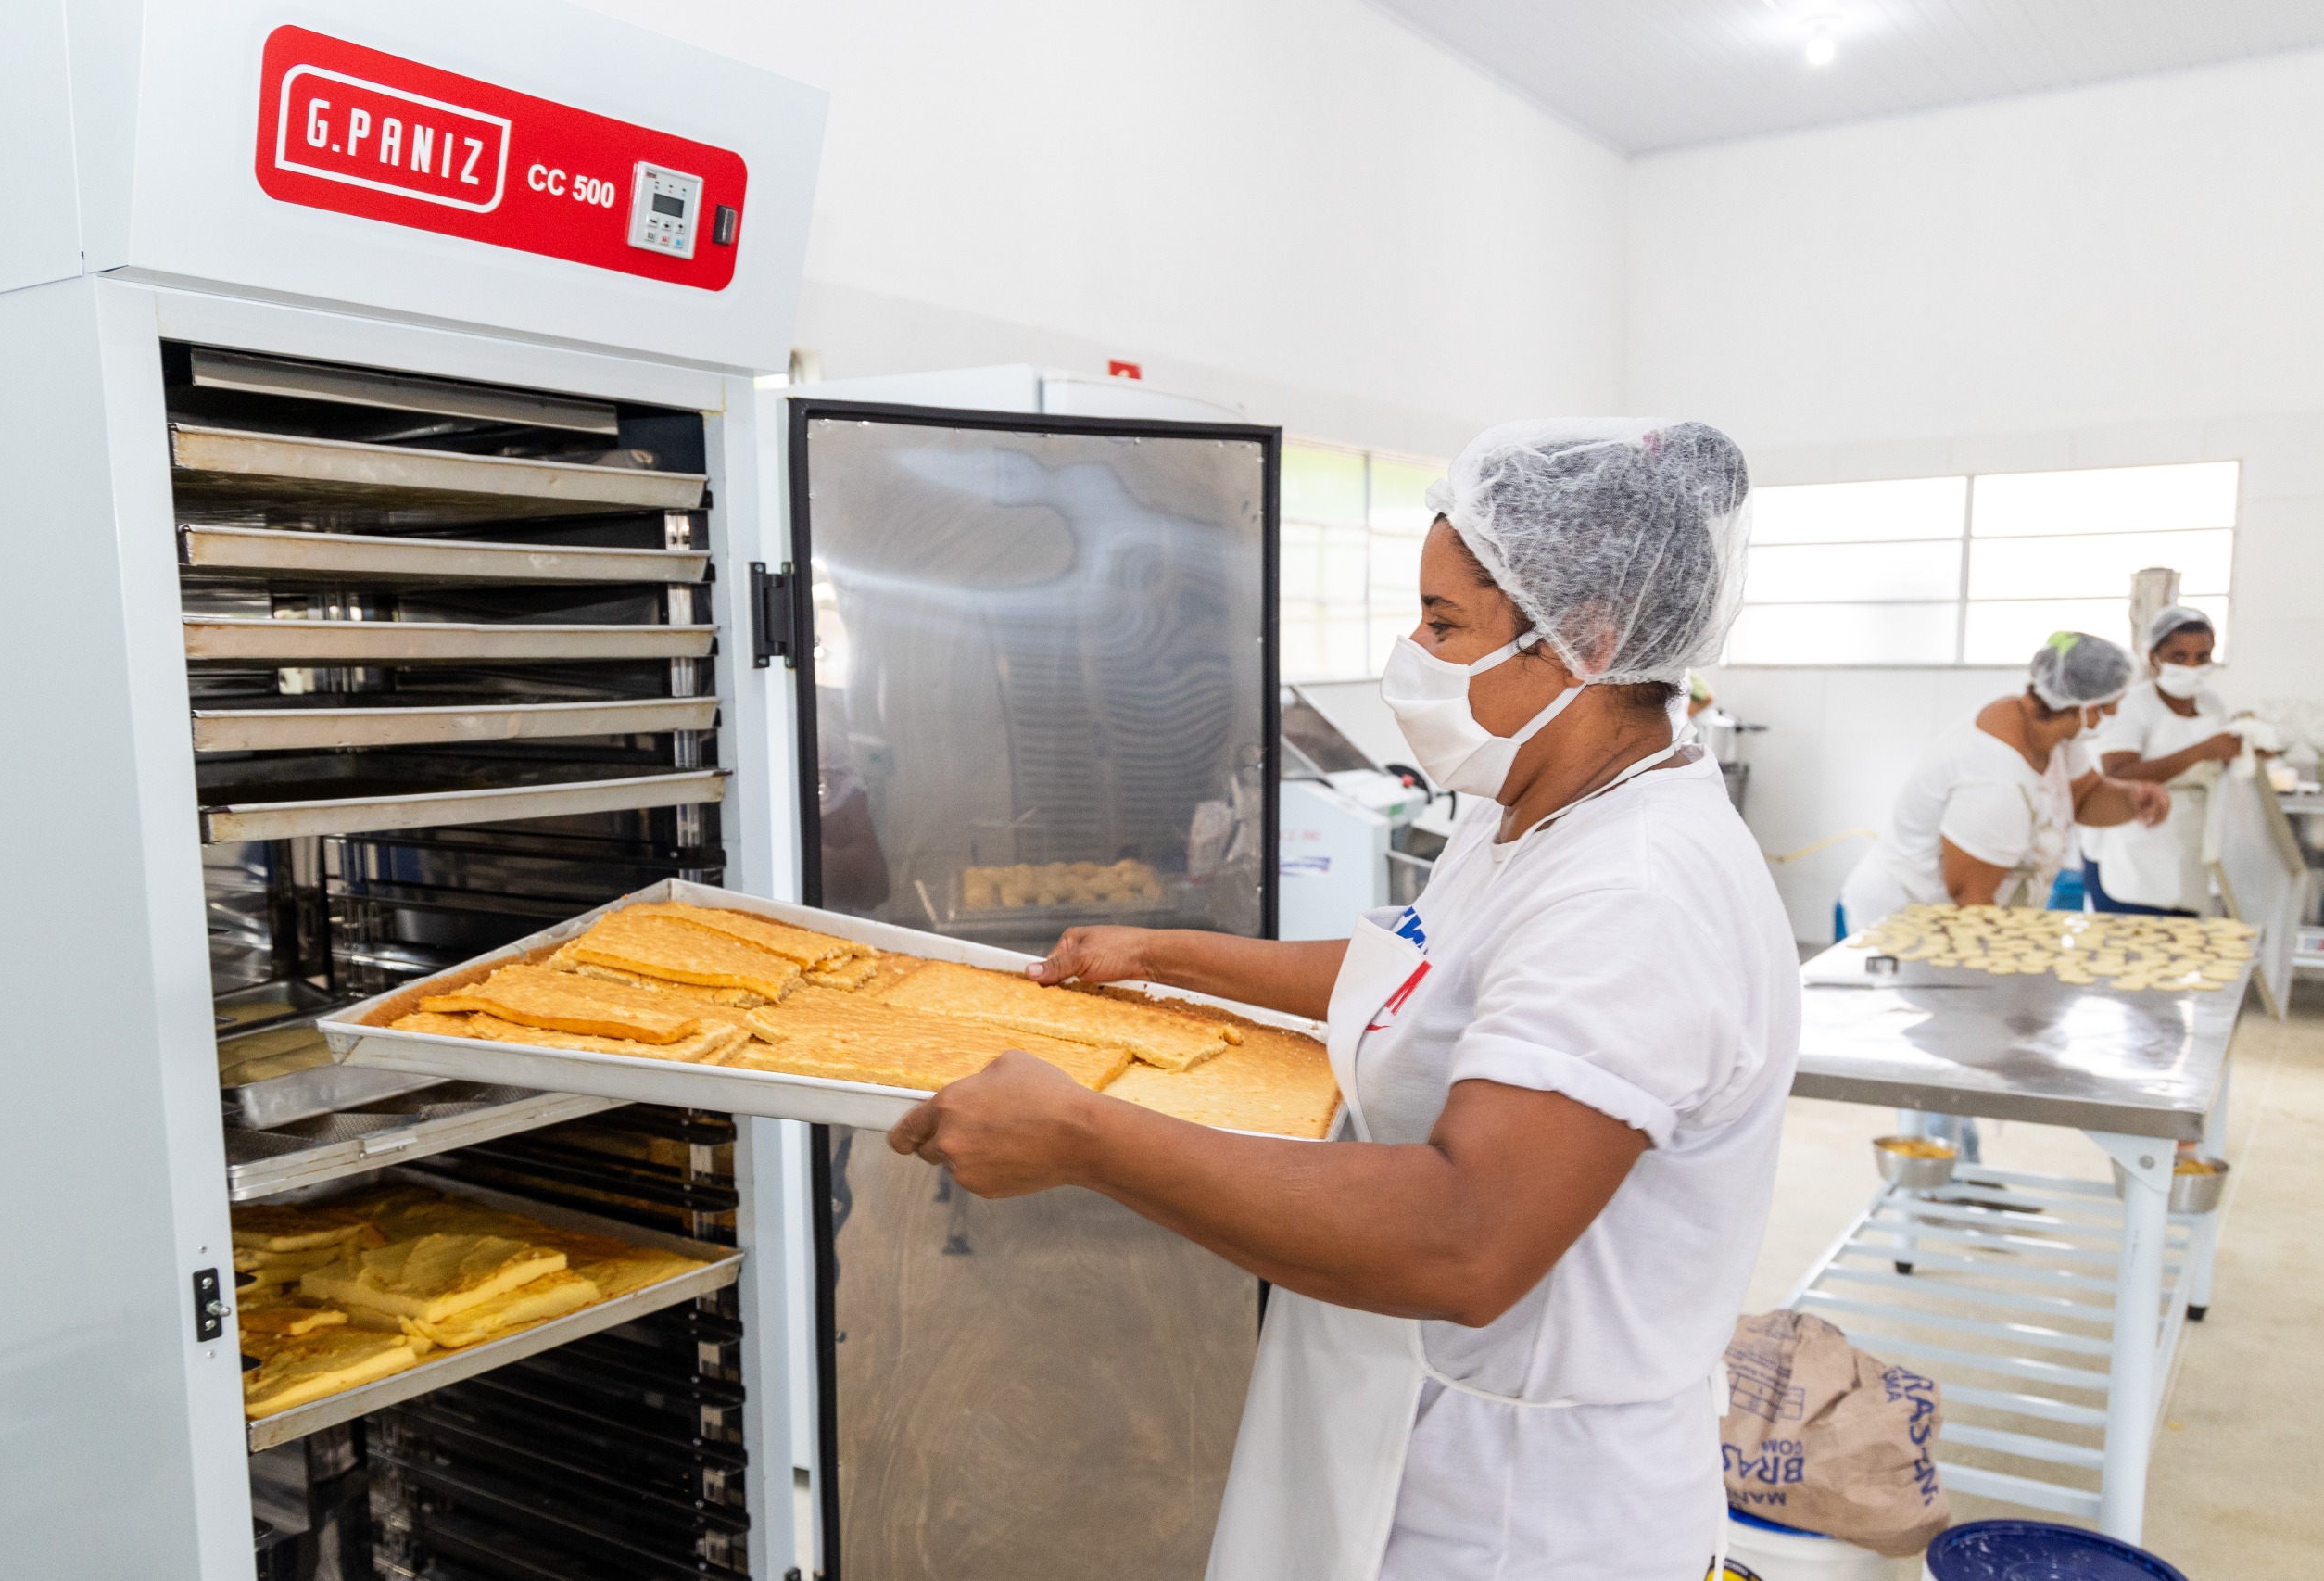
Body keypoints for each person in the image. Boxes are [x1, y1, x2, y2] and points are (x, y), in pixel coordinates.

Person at [886, 420, 1799, 1579]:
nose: (1412, 652)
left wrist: (1086, 1136)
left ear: (1590, 638)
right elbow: (1420, 972)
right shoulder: (1532, 806)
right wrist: (1162, 954)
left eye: (1444, 623)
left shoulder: (1635, 893)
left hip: (1521, 1508)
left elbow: (1466, 1237)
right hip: (1401, 1415)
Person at [1837, 632, 2169, 934]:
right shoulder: (1995, 779)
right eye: (2112, 706)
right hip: (1908, 922)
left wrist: (2133, 798)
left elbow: (2084, 797)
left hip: (1966, 917)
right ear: (2087, 708)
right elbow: (1971, 897)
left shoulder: (2055, 735)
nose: (2114, 715)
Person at [2078, 606, 2238, 916]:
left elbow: (2217, 766)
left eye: (2202, 657)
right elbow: (2117, 773)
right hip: (2135, 840)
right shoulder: (2133, 704)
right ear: (2154, 657)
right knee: (2134, 935)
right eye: (2179, 656)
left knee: (2184, 933)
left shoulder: (2212, 705)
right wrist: (2200, 751)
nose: (2191, 667)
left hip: (2188, 844)